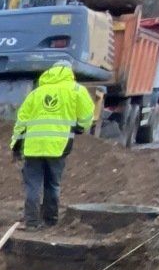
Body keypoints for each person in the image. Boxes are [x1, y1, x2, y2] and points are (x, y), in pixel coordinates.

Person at [10, 62, 96, 229]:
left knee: (33, 186)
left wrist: (15, 145)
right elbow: (87, 116)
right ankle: (50, 220)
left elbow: (21, 121)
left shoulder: (36, 93)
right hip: (58, 146)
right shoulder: (76, 90)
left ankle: (32, 222)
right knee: (52, 184)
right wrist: (80, 127)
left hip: (33, 147)